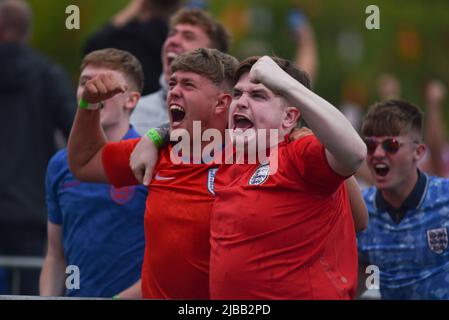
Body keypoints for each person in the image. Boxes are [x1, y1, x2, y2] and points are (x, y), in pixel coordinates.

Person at [130, 54, 368, 299]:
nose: (241, 102)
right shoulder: (234, 150)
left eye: (257, 95)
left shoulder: (300, 152)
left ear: (289, 117)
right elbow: (197, 118)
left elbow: (355, 153)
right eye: (237, 94)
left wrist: (284, 83)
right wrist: (155, 136)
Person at [67, 48, 239, 299]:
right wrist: (89, 105)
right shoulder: (157, 152)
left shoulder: (249, 160)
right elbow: (84, 162)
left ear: (222, 103)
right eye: (172, 83)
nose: (174, 92)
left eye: (188, 84)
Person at [40, 49, 147, 298]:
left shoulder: (149, 158)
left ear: (131, 100)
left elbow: (166, 264)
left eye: (104, 83)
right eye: (85, 82)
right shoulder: (60, 163)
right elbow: (56, 255)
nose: (92, 91)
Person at [0, 0, 76, 295]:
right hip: (29, 206)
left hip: (26, 206)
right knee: (30, 289)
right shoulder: (48, 76)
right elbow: (78, 133)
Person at [357, 99, 449, 299]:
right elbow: (351, 282)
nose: (378, 153)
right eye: (371, 145)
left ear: (418, 152)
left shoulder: (445, 199)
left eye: (391, 145)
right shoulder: (361, 211)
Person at [130, 7, 231, 135]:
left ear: (212, 55)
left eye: (188, 37)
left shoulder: (232, 119)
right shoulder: (134, 110)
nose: (173, 41)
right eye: (172, 34)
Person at [84, 0, 181, 95]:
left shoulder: (127, 33)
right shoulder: (175, 39)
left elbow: (91, 47)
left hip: (124, 98)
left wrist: (128, 12)